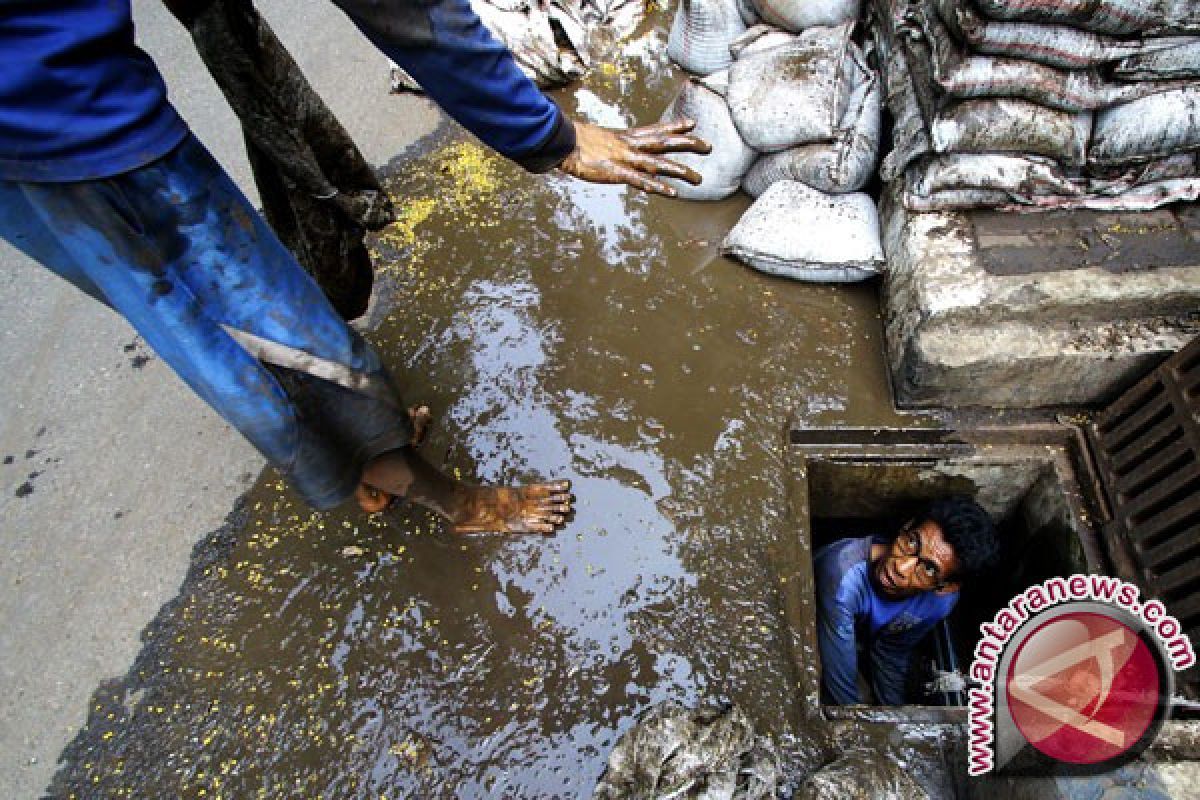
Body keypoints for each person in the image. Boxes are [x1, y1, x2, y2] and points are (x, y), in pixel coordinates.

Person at [0, 0, 710, 533]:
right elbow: (410, 10)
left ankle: (376, 453)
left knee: (274, 322)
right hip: (50, 119)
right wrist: (546, 134)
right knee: (275, 345)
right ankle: (446, 500)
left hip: (59, 75)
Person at [815, 496, 1000, 705]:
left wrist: (895, 713)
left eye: (928, 569)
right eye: (912, 542)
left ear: (946, 587)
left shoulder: (940, 602)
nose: (900, 567)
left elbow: (891, 651)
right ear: (907, 526)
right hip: (829, 627)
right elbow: (839, 683)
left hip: (855, 635)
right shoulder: (842, 577)